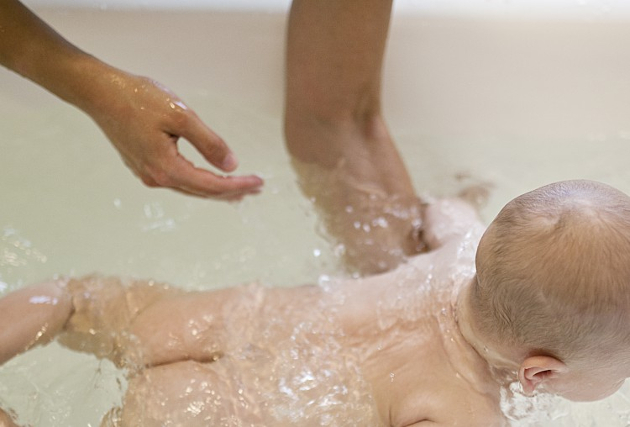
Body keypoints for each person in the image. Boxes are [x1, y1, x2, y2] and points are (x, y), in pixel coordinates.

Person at [2, 179, 630, 426]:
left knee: (73, 298)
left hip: (185, 327)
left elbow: (445, 210)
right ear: (540, 370)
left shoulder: (461, 248)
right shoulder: (462, 411)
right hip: (193, 420)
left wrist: (459, 193)